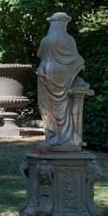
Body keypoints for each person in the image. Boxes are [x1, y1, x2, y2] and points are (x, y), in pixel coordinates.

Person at [33, 12, 90, 151]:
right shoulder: (69, 40)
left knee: (48, 107)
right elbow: (77, 59)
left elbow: (39, 54)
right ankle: (67, 138)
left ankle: (53, 135)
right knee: (64, 107)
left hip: (46, 75)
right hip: (64, 76)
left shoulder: (46, 41)